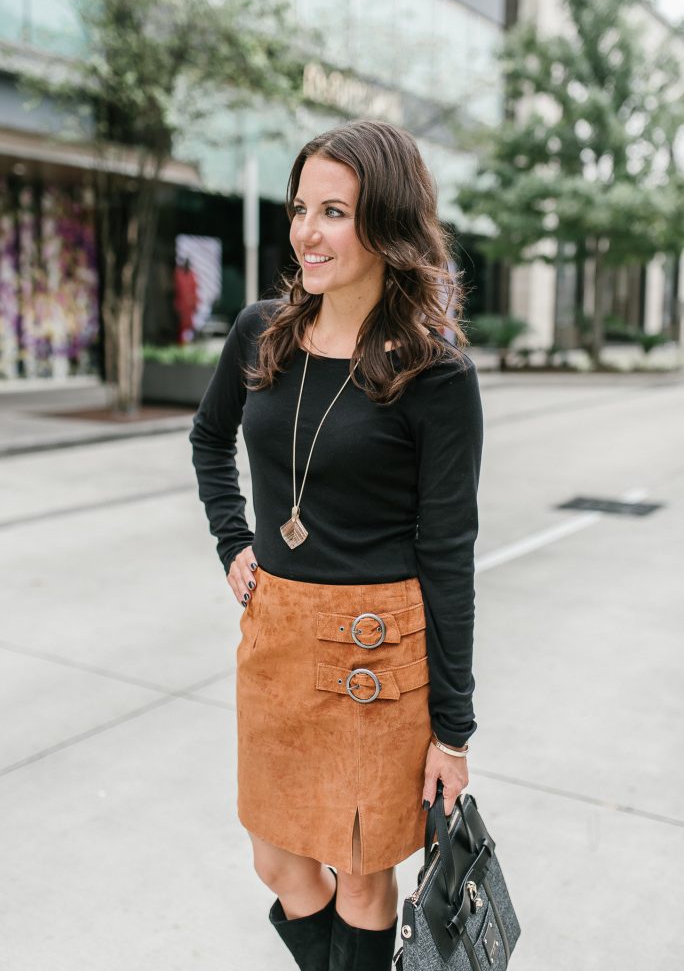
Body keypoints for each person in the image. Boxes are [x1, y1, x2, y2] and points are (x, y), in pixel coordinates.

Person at [189, 119, 483, 971]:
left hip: (375, 656)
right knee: (276, 859)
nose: (306, 233)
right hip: (276, 643)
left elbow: (450, 554)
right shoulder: (261, 332)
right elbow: (211, 440)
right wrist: (232, 539)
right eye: (299, 208)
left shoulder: (436, 372)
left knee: (361, 877)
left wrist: (453, 731)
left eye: (333, 212)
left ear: (386, 224)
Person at [174, 257, 198, 344]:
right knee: (181, 326)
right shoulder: (179, 275)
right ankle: (182, 343)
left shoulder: (192, 275)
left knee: (190, 325)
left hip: (190, 306)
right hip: (181, 306)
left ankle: (190, 342)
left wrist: (195, 304)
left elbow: (194, 291)